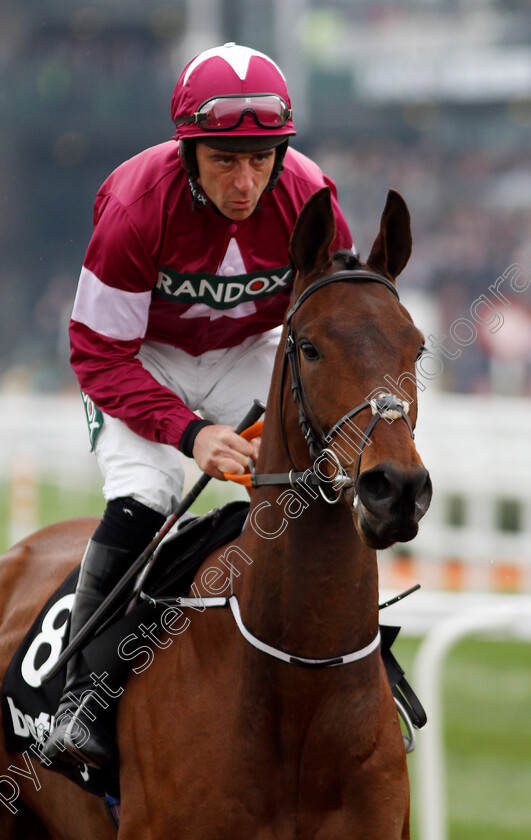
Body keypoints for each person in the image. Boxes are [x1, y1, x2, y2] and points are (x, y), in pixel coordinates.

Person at [42, 42, 353, 771]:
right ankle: (80, 696)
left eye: (262, 159)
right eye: (223, 161)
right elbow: (97, 353)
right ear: (187, 153)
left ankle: (356, 666)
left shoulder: (312, 200)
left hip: (247, 348)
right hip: (140, 356)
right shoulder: (134, 207)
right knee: (149, 494)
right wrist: (189, 434)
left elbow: (328, 322)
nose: (245, 183)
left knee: (307, 491)